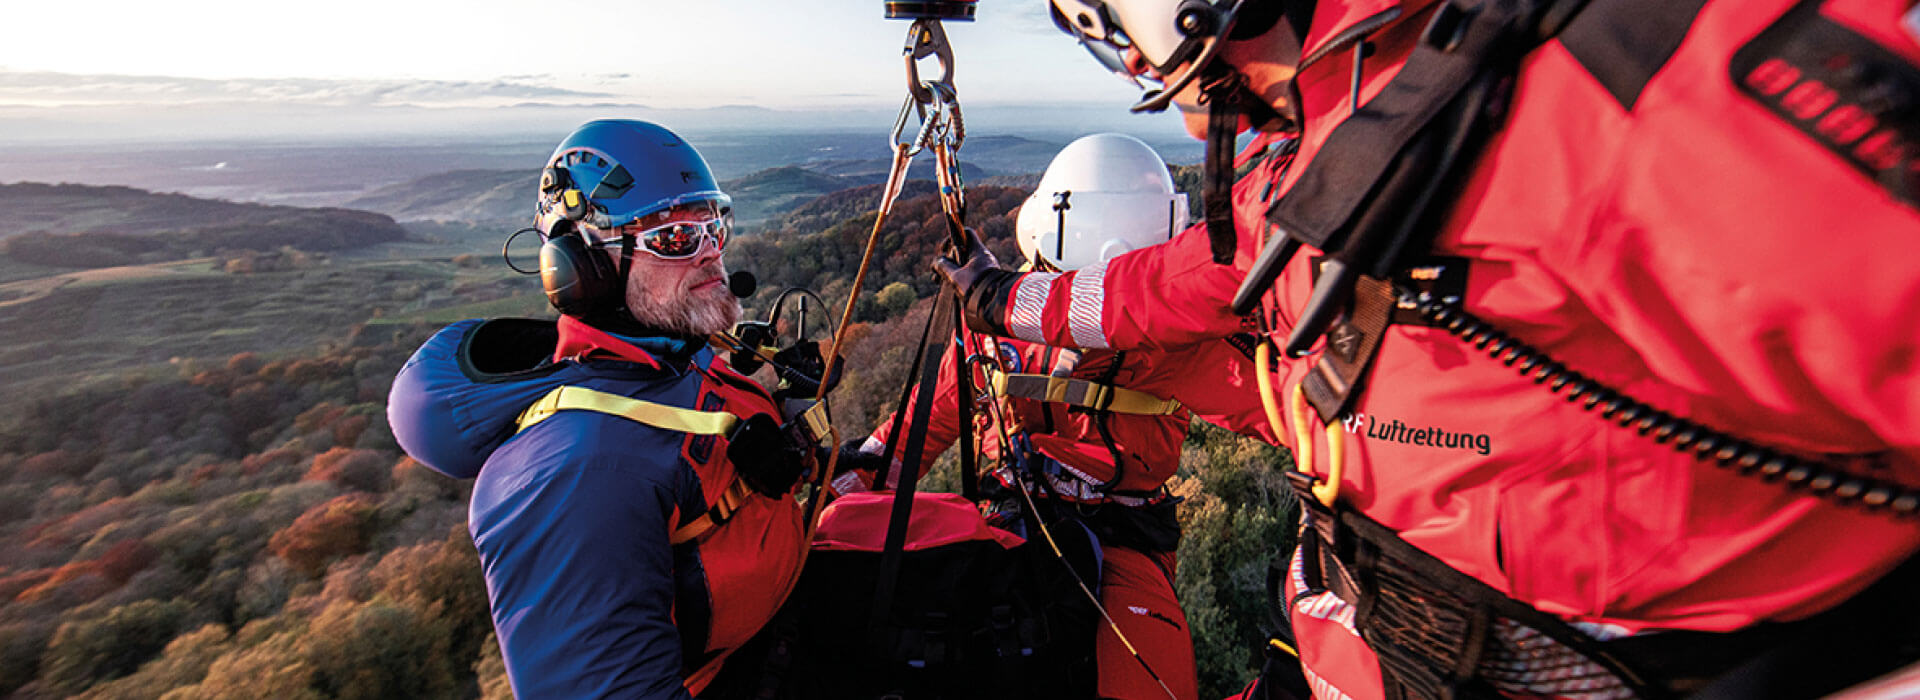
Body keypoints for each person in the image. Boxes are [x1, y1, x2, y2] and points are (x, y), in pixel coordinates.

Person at [936, 1, 1920, 698]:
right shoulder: (1346, 134)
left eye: (1121, 48)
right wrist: (1007, 302)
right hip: (1369, 636)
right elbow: (1194, 274)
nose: (1160, 91)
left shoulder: (1619, 81)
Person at [387, 119, 813, 699]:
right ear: (582, 267)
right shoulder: (576, 476)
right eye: (674, 238)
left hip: (777, 626)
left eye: (715, 227)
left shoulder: (670, 359)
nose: (713, 256)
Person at [844, 132, 1278, 700]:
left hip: (1077, 538)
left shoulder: (1005, 327)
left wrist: (834, 492)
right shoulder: (1187, 343)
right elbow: (902, 445)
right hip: (1040, 529)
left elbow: (899, 450)